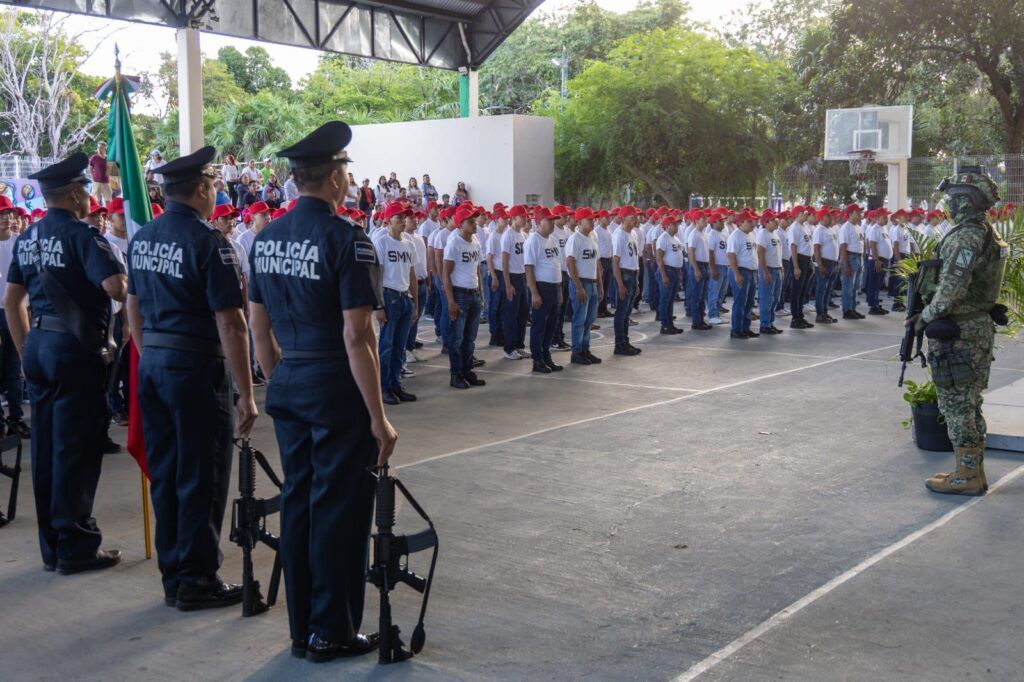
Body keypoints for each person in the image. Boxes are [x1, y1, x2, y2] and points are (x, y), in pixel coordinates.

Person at [248, 122, 396, 661]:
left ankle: (301, 625)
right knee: (339, 509)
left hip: (290, 381)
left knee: (299, 504)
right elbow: (357, 336)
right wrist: (378, 417)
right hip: (336, 385)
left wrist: (280, 379)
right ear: (335, 179)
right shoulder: (345, 240)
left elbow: (257, 328)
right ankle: (332, 630)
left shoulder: (265, 239)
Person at [126, 146, 257, 609]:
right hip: (196, 369)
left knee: (166, 473)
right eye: (212, 184)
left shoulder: (143, 238)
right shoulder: (209, 243)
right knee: (202, 473)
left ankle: (174, 575)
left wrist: (151, 356)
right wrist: (245, 390)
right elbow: (231, 322)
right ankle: (198, 580)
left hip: (154, 365)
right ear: (201, 189)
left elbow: (133, 308)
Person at [3, 153, 127, 573]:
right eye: (86, 192)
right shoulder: (83, 236)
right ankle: (77, 544)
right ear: (74, 194)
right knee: (76, 446)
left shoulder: (28, 237)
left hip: (39, 343)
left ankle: (53, 544)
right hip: (75, 350)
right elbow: (115, 288)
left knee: (48, 446)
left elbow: (12, 302)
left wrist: (25, 350)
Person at [911, 167, 1008, 496]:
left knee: (956, 403)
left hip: (960, 332)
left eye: (953, 198)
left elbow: (950, 288)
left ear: (967, 201)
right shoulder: (984, 232)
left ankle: (967, 475)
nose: (949, 204)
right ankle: (972, 470)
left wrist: (924, 316)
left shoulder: (967, 235)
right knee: (968, 401)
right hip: (975, 325)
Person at [372, 202, 418, 405]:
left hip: (404, 297)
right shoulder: (382, 242)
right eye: (398, 217)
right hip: (389, 297)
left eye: (404, 217)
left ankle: (396, 384)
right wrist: (379, 305)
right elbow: (377, 276)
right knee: (387, 346)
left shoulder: (409, 243)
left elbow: (412, 274)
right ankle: (384, 388)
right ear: (388, 220)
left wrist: (415, 302)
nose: (402, 221)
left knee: (399, 347)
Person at [443, 205, 487, 389]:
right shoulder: (454, 243)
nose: (474, 224)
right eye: (470, 222)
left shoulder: (475, 241)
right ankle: (456, 375)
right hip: (460, 294)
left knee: (470, 338)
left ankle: (468, 371)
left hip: (474, 293)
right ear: (461, 224)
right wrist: (451, 301)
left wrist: (481, 294)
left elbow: (477, 268)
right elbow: (446, 273)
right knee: (457, 339)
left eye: (474, 221)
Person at [0, 197, 29, 438]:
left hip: (19, 310)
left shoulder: (20, 243)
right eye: (1, 214)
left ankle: (16, 417)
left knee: (16, 364)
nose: (7, 217)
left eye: (9, 213)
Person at [524, 208, 564, 373]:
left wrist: (559, 290)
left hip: (554, 287)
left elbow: (556, 265)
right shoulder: (533, 241)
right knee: (539, 326)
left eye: (553, 220)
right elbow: (529, 268)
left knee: (551, 326)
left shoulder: (553, 240)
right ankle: (537, 360)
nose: (553, 223)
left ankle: (546, 356)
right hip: (542, 287)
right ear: (539, 223)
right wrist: (534, 293)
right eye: (549, 220)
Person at [565, 207, 603, 364]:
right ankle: (576, 352)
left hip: (592, 283)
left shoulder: (592, 239)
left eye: (593, 219)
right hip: (582, 283)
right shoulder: (575, 239)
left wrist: (600, 285)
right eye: (590, 219)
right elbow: (570, 262)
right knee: (580, 319)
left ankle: (585, 349)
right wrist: (578, 287)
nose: (593, 222)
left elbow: (597, 264)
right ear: (580, 222)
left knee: (589, 319)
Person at [500, 205, 530, 360]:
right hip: (513, 277)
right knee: (511, 314)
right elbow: (504, 262)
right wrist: (508, 284)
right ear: (513, 218)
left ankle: (519, 345)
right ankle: (509, 347)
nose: (525, 219)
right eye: (522, 217)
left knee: (523, 313)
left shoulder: (524, 235)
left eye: (525, 217)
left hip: (523, 277)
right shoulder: (508, 235)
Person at [611, 206, 642, 355]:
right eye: (632, 217)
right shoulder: (619, 235)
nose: (635, 219)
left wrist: (637, 282)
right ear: (623, 219)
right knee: (622, 311)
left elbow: (634, 257)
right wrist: (620, 284)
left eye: (635, 217)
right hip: (624, 274)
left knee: (627, 312)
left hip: (633, 273)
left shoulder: (633, 233)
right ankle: (619, 343)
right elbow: (615, 261)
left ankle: (625, 341)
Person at [726, 210, 758, 339]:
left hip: (751, 271)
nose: (752, 224)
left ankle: (746, 327)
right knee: (740, 302)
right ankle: (736, 329)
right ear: (741, 223)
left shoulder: (750, 235)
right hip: (741, 271)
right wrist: (736, 274)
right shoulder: (736, 236)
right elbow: (731, 255)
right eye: (749, 221)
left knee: (749, 302)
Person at [654, 215, 684, 335]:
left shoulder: (675, 238)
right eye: (674, 224)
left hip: (675, 271)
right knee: (665, 300)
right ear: (667, 226)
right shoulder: (663, 238)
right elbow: (659, 258)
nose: (676, 226)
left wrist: (680, 271)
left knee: (670, 300)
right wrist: (663, 275)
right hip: (667, 271)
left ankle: (670, 324)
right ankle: (665, 325)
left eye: (676, 224)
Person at [755, 213, 784, 335]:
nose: (776, 222)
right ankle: (764, 324)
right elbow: (760, 253)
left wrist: (781, 268)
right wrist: (765, 271)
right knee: (767, 298)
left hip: (776, 269)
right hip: (769, 269)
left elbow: (778, 253)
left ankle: (770, 322)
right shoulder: (763, 234)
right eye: (773, 220)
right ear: (766, 222)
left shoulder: (775, 234)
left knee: (775, 298)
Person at [837, 204, 866, 320]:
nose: (860, 214)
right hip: (850, 257)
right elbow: (843, 247)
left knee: (855, 286)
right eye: (857, 212)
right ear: (850, 214)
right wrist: (846, 265)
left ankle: (852, 308)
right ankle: (847, 310)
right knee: (848, 286)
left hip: (858, 257)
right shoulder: (846, 227)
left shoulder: (858, 227)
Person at [811, 208, 838, 324]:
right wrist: (820, 265)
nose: (831, 218)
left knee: (828, 289)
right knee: (821, 289)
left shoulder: (830, 230)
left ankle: (825, 311)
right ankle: (819, 313)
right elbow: (816, 248)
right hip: (824, 262)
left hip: (832, 263)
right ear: (822, 218)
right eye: (828, 216)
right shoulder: (819, 230)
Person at [685, 211, 712, 330]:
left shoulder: (703, 234)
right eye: (703, 219)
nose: (706, 222)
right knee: (697, 295)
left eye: (706, 219)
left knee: (702, 295)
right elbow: (691, 252)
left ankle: (701, 319)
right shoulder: (694, 234)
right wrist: (695, 269)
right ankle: (696, 321)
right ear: (696, 221)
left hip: (705, 265)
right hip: (699, 265)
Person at [865, 209, 894, 315]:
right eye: (884, 217)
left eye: (887, 217)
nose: (887, 219)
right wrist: (876, 260)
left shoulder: (884, 228)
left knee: (878, 284)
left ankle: (876, 304)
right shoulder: (875, 229)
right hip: (878, 260)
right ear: (877, 218)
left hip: (884, 260)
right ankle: (873, 306)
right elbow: (872, 245)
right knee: (874, 283)